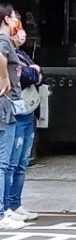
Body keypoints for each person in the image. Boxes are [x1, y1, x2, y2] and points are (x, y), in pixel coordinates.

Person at [5, 15, 40, 222]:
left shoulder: (21, 54)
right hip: (14, 113)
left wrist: (33, 72)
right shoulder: (6, 52)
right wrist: (32, 72)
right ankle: (7, 205)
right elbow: (25, 76)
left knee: (21, 163)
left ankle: (16, 204)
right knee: (10, 162)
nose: (21, 32)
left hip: (28, 112)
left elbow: (37, 73)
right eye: (16, 26)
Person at [0, 5, 25, 230]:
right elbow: (0, 55)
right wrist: (3, 79)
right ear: (7, 19)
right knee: (3, 162)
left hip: (9, 104)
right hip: (5, 104)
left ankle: (6, 208)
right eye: (15, 16)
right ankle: (1, 213)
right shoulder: (3, 39)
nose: (17, 19)